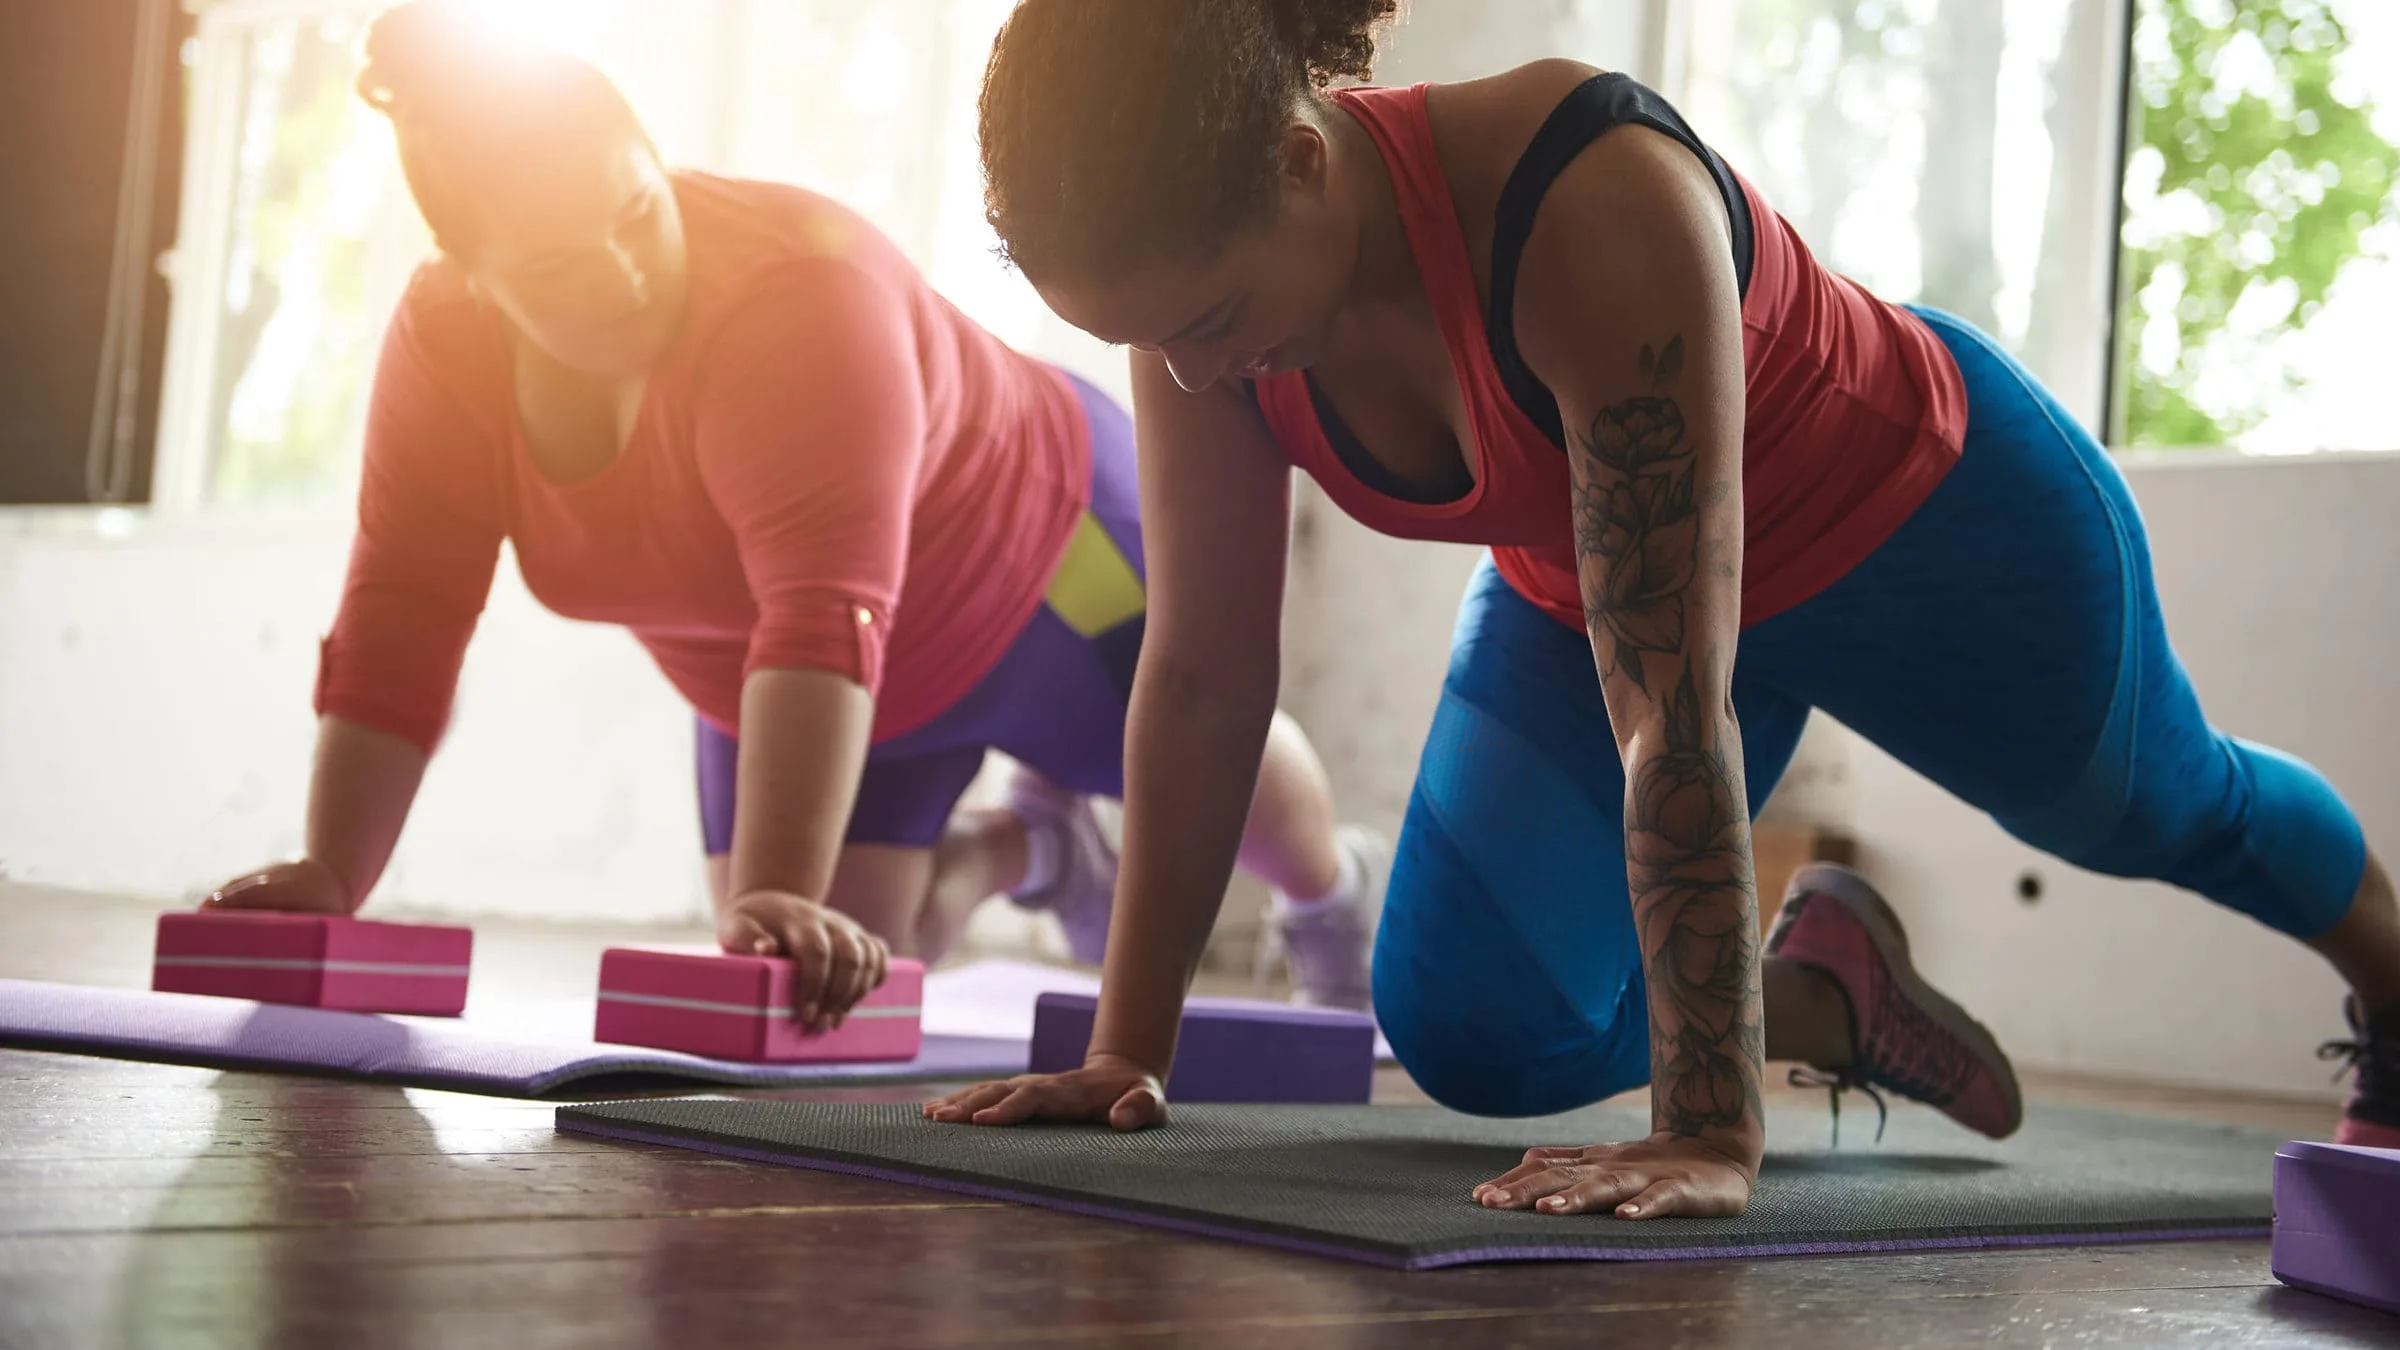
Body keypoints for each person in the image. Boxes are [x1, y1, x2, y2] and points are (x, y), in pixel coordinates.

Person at [927, 0, 2400, 1217]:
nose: (1187, 377)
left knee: (2160, 809)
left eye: (1205, 326)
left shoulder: (1587, 196)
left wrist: (1709, 1129)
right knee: (1471, 1028)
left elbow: (1671, 706)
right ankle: (1823, 995)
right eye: (1145, 343)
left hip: (1925, 526)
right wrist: (1126, 1051)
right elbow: (1200, 675)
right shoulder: (1201, 321)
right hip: (1592, 589)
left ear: (1303, 163)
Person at [203, 1, 1391, 1027]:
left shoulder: (801, 295)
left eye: (637, 213)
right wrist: (332, 875)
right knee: (838, 974)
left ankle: (1332, 897)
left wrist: (773, 892)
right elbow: (403, 612)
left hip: (1046, 555)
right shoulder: (445, 356)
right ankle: (1034, 848)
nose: (624, 275)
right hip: (802, 679)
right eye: (559, 266)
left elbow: (825, 611)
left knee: (1229, 784)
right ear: (474, 279)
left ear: (658, 162)